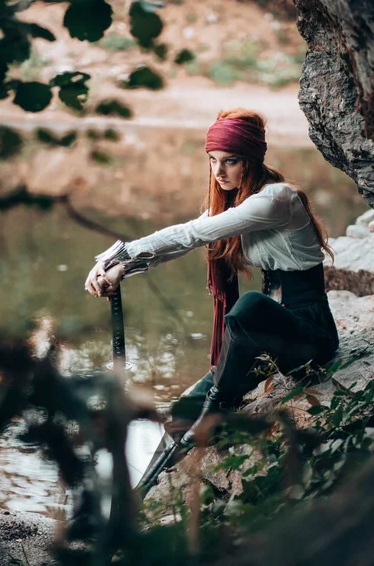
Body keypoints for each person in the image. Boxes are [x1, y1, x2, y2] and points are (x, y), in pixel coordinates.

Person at [84, 108, 339, 447]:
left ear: (249, 160)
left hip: (309, 336)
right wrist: (121, 270)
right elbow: (183, 243)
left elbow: (191, 234)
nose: (218, 171)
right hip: (265, 338)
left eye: (229, 161)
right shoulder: (235, 203)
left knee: (249, 307)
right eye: (212, 159)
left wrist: (117, 254)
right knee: (181, 411)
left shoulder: (276, 200)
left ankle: (218, 413)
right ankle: (145, 492)